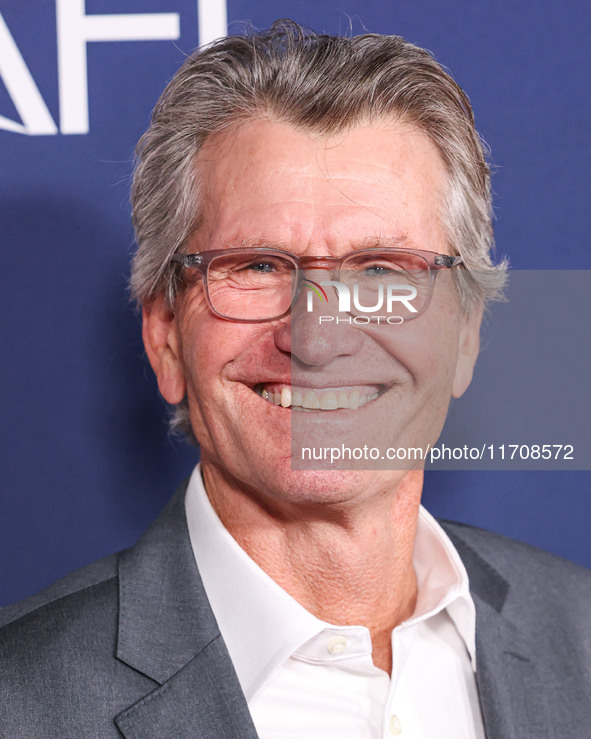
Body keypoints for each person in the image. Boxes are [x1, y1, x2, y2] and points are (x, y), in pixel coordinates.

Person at [1, 20, 590, 738]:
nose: (318, 336)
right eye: (256, 266)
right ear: (164, 335)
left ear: (464, 333)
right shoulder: (20, 700)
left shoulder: (580, 635)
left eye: (381, 269)